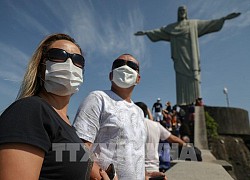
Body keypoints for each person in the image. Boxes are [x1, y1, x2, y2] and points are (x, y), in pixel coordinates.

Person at [0, 33, 94, 179]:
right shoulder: (30, 110)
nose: (69, 63)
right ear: (40, 66)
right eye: (58, 55)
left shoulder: (68, 126)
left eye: (77, 59)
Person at [73, 54, 163, 180]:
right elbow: (78, 149)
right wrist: (100, 176)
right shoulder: (98, 98)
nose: (125, 67)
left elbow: (134, 154)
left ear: (138, 78)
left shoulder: (139, 112)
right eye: (119, 64)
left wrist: (144, 175)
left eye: (131, 65)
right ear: (111, 75)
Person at [135, 5, 241, 105]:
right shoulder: (172, 27)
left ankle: (197, 101)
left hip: (191, 56)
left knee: (194, 76)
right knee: (181, 78)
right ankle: (183, 102)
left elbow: (209, 23)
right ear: (178, 13)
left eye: (183, 10)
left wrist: (223, 18)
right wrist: (146, 32)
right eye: (180, 11)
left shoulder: (193, 24)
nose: (182, 12)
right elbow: (159, 31)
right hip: (179, 57)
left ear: (186, 13)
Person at [135, 102, 186, 173]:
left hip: (135, 171)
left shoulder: (129, 125)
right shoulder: (156, 125)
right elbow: (173, 139)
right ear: (146, 113)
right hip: (153, 170)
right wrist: (186, 145)